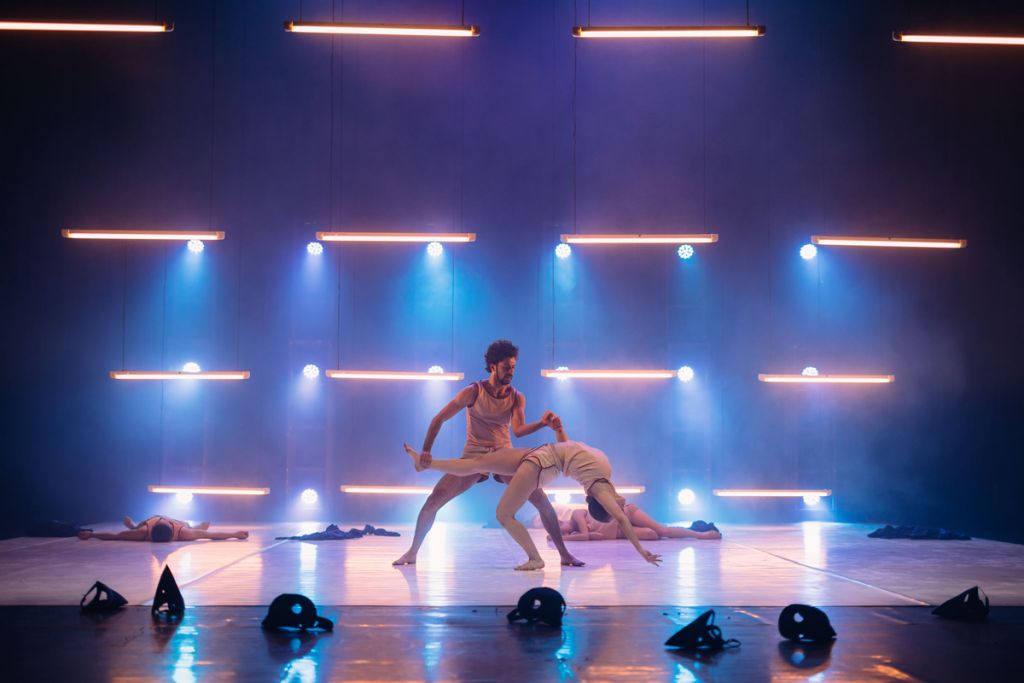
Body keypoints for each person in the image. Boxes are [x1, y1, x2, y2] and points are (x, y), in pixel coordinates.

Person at [393, 340, 583, 567]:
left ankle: (564, 555)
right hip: (474, 456)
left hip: (504, 455)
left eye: (513, 367)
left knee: (541, 500)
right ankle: (412, 553)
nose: (511, 372)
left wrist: (543, 424)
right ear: (493, 366)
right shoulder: (473, 391)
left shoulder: (516, 396)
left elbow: (518, 430)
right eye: (506, 367)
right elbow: (438, 419)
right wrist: (426, 450)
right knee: (434, 500)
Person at [402, 417, 663, 570]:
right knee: (478, 462)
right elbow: (567, 448)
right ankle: (425, 464)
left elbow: (622, 519)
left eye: (615, 508)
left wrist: (642, 552)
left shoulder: (600, 488)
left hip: (541, 464)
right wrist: (558, 429)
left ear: (602, 503)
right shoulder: (605, 474)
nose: (623, 504)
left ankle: (535, 558)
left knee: (504, 514)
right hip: (543, 453)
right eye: (618, 506)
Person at [538, 504, 722, 542]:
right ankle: (691, 529)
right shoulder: (577, 533)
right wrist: (587, 535)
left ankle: (701, 534)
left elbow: (587, 536)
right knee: (653, 535)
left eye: (560, 528)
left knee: (662, 531)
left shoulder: (576, 514)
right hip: (621, 532)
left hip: (624, 515)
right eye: (561, 532)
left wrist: (557, 539)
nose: (564, 532)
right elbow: (598, 536)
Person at [77, 515, 248, 542]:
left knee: (197, 530)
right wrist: (234, 534)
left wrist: (91, 534)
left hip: (155, 522)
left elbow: (115, 536)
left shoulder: (144, 532)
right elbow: (210, 535)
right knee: (196, 530)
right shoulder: (182, 533)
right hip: (177, 524)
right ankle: (132, 525)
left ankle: (132, 525)